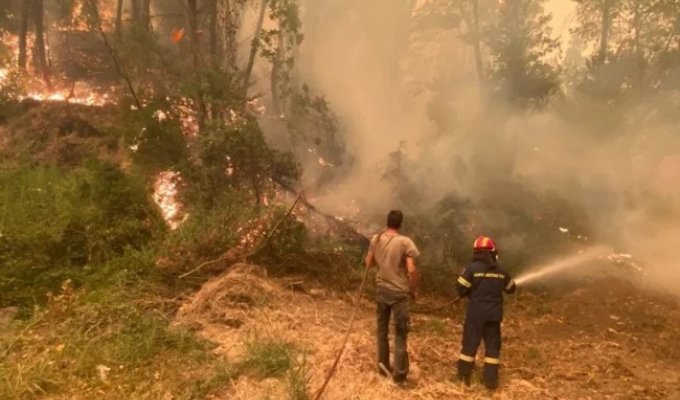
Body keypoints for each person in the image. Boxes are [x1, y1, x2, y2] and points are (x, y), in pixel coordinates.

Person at [365, 210, 420, 385]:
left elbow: (368, 263)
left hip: (381, 290)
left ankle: (382, 368)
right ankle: (399, 376)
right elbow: (411, 270)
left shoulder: (377, 239)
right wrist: (414, 289)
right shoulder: (406, 242)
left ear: (387, 222)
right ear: (400, 224)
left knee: (381, 331)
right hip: (399, 293)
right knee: (400, 333)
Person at [456, 235, 516, 390]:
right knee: (492, 348)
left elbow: (460, 289)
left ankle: (464, 378)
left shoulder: (471, 269)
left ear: (476, 252)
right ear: (492, 252)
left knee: (469, 345)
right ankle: (490, 382)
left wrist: (470, 291)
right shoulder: (501, 270)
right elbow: (511, 288)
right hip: (493, 315)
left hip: (475, 314)